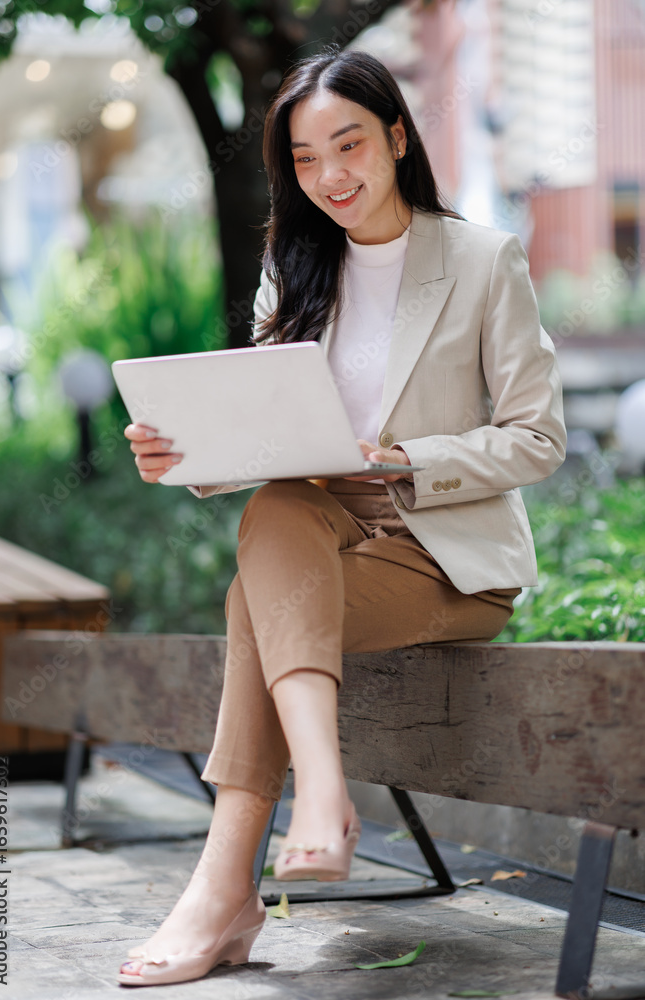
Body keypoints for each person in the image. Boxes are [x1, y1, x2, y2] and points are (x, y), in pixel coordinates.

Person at [118, 45, 566, 987]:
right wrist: (183, 458)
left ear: (397, 137)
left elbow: (537, 438)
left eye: (349, 145)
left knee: (255, 605)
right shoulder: (293, 272)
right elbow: (265, 437)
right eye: (306, 160)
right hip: (319, 534)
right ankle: (316, 796)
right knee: (281, 506)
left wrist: (407, 460)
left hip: (442, 555)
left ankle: (228, 883)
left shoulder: (484, 260)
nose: (330, 177)